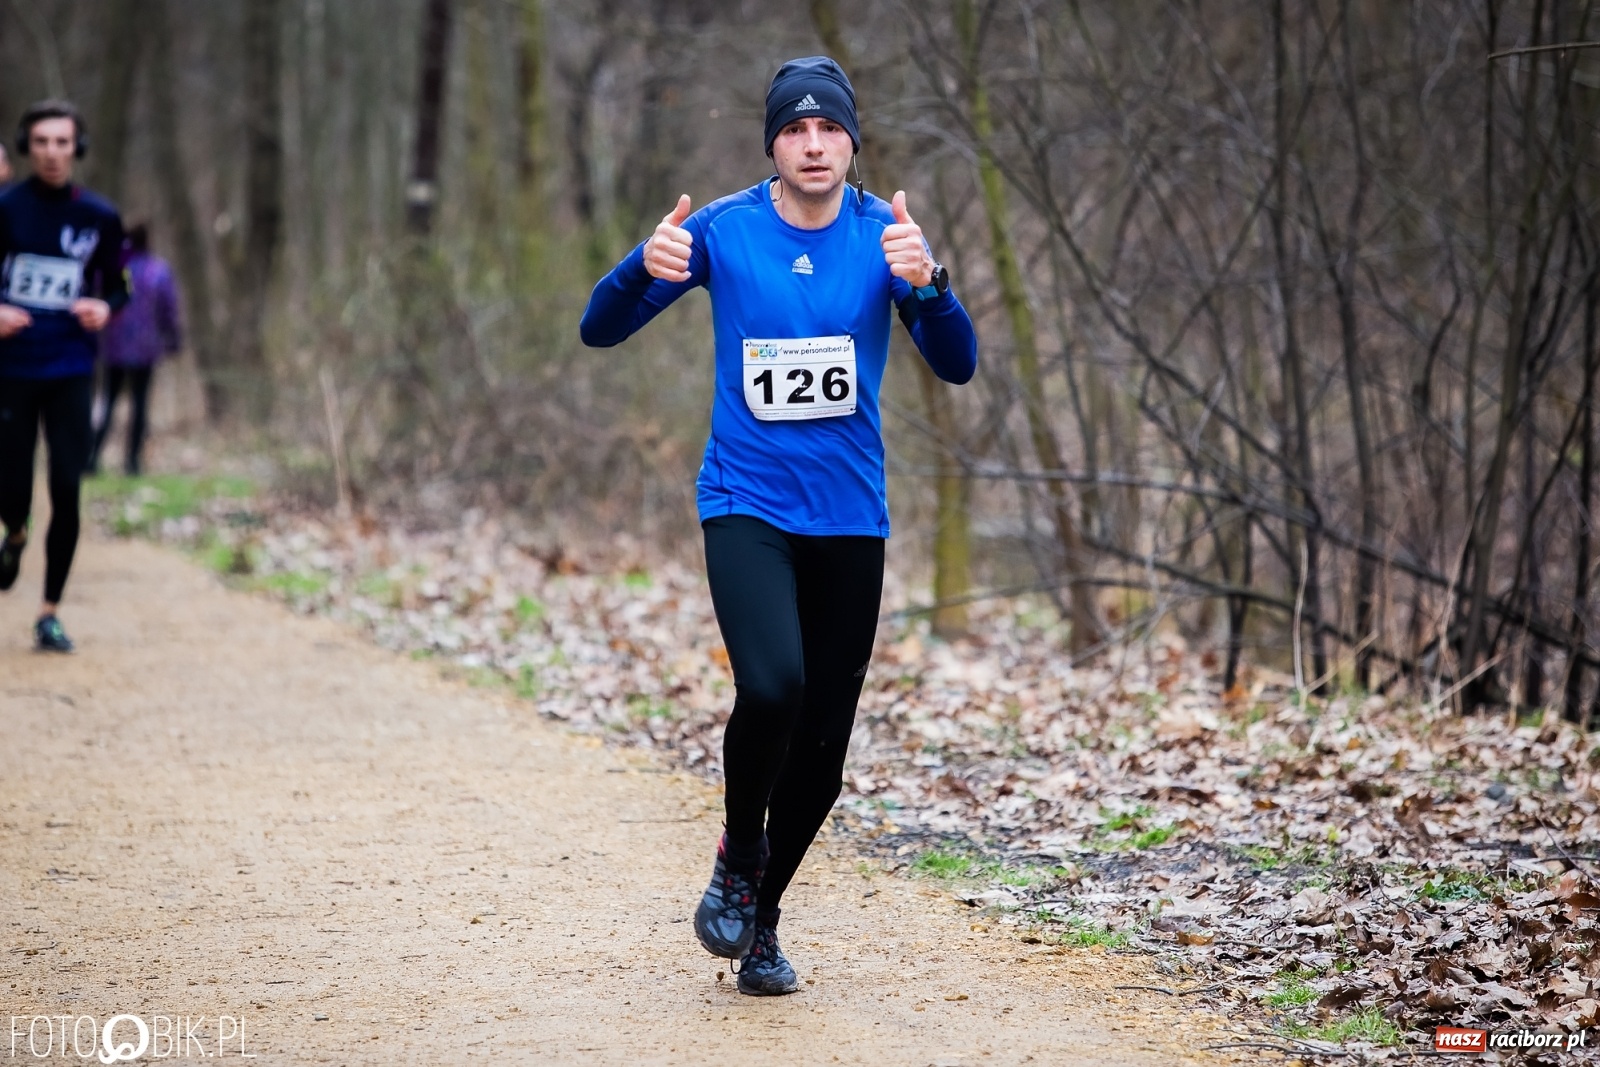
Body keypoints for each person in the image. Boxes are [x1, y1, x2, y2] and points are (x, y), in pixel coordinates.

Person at [580, 57, 977, 995]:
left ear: (850, 142)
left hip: (850, 517)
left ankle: (759, 920)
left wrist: (930, 287)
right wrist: (640, 264)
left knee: (827, 751)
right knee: (774, 685)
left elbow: (956, 364)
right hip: (745, 503)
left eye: (828, 130)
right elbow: (601, 328)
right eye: (794, 131)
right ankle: (738, 848)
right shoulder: (721, 231)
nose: (811, 145)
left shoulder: (888, 238)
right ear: (772, 143)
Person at [0, 100, 128, 653]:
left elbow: (118, 281)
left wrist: (106, 306)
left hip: (71, 367)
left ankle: (49, 611)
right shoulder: (5, 209)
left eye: (63, 142)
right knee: (11, 484)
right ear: (28, 147)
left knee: (68, 488)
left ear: (78, 148)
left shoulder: (99, 216)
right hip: (11, 368)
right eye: (43, 142)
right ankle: (15, 533)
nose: (53, 153)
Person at [88, 222, 182, 476]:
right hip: (145, 347)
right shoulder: (157, 271)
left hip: (114, 345)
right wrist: (173, 340)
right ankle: (132, 462)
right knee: (139, 403)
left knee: (107, 400)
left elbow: (96, 294)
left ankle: (92, 457)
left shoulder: (116, 267)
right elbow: (169, 308)